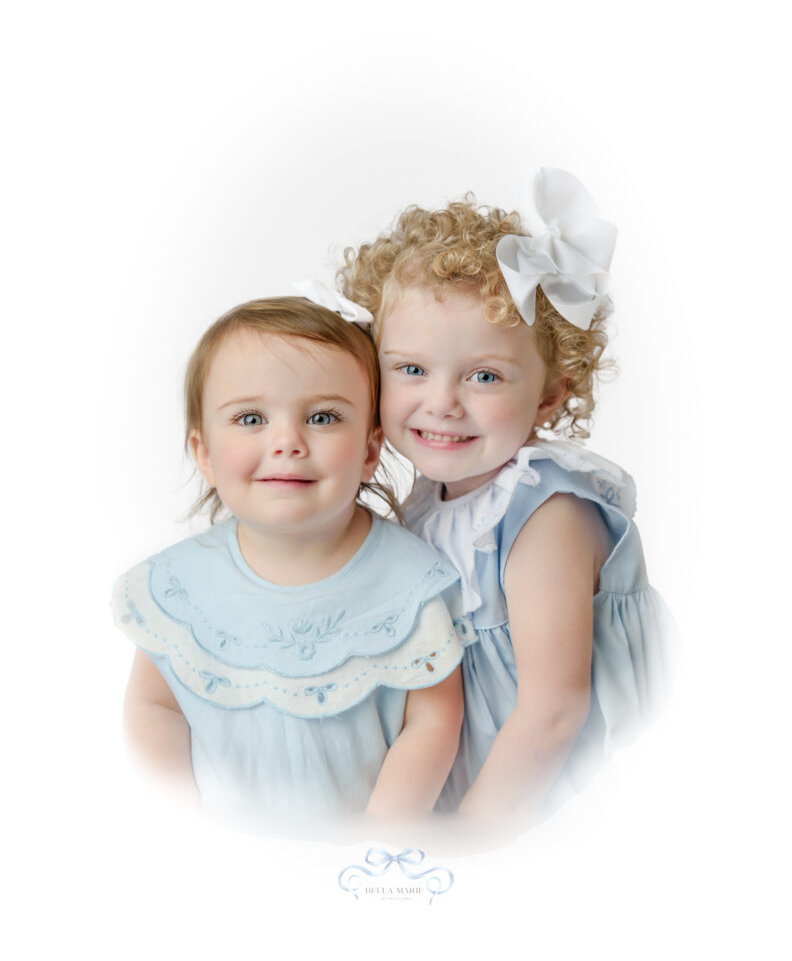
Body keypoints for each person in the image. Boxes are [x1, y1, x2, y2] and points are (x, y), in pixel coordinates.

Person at [340, 168, 675, 821]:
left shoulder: (543, 511)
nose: (442, 403)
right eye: (411, 369)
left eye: (485, 376)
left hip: (556, 795)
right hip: (479, 775)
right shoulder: (426, 504)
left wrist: (472, 841)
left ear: (550, 395)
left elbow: (554, 710)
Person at [112, 295, 464, 829]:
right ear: (204, 452)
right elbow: (153, 707)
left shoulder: (409, 580)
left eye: (322, 417)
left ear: (370, 451)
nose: (287, 442)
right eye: (251, 417)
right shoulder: (182, 585)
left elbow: (434, 720)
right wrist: (176, 820)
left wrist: (378, 841)